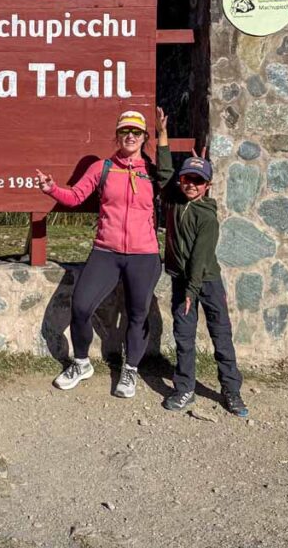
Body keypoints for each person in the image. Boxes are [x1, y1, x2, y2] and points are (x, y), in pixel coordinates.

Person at [36, 109, 167, 397]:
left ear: (145, 137)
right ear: (117, 135)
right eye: (124, 131)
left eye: (136, 132)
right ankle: (81, 364)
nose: (130, 136)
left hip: (143, 254)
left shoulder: (154, 171)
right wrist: (52, 189)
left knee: (137, 314)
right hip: (106, 251)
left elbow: (171, 186)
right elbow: (75, 196)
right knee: (81, 307)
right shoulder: (102, 168)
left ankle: (130, 370)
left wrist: (165, 136)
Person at [156, 123, 248, 417]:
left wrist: (190, 292)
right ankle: (184, 389)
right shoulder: (173, 200)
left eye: (198, 180)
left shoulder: (207, 217)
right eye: (188, 179)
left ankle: (232, 392)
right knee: (184, 338)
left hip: (205, 282)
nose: (191, 184)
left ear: (208, 185)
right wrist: (163, 136)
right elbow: (164, 172)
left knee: (221, 335)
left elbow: (199, 257)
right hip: (182, 281)